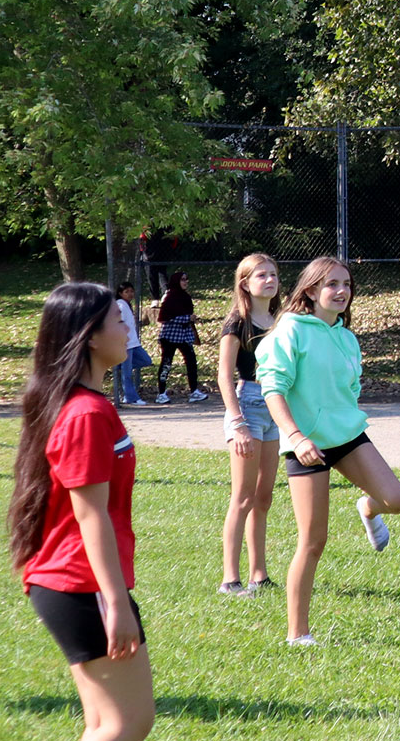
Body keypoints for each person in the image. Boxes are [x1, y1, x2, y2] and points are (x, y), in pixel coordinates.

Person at [5, 283, 155, 741]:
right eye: (119, 320)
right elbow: (90, 514)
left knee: (104, 723)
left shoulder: (87, 402)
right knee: (128, 721)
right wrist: (114, 602)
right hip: (81, 585)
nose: (128, 328)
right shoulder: (86, 412)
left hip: (74, 582)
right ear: (90, 336)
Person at [256, 256, 400, 645]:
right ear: (310, 291)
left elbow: (349, 389)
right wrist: (297, 437)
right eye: (332, 285)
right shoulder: (289, 331)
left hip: (348, 436)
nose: (342, 292)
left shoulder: (345, 336)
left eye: (347, 284)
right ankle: (297, 634)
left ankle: (368, 508)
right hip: (306, 447)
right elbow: (273, 389)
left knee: (395, 499)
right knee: (313, 540)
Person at [216, 253, 282, 597]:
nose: (269, 280)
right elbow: (224, 376)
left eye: (273, 274)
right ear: (245, 283)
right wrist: (237, 422)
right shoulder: (236, 323)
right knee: (242, 497)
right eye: (261, 276)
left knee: (264, 497)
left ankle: (260, 574)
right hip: (249, 406)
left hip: (275, 407)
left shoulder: (282, 319)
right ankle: (230, 579)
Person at [155, 270, 204, 404]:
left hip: (184, 335)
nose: (185, 282)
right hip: (170, 335)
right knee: (166, 363)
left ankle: (194, 391)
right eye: (183, 279)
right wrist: (186, 318)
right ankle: (161, 393)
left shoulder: (185, 297)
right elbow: (164, 318)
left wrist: (189, 319)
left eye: (186, 279)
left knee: (192, 362)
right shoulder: (170, 297)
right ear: (177, 281)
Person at [113, 283, 150, 407]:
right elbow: (117, 323)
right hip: (126, 343)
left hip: (134, 343)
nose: (130, 294)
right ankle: (131, 397)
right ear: (120, 293)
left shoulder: (127, 305)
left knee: (146, 360)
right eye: (126, 292)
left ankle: (117, 367)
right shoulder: (120, 305)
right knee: (127, 374)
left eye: (131, 291)